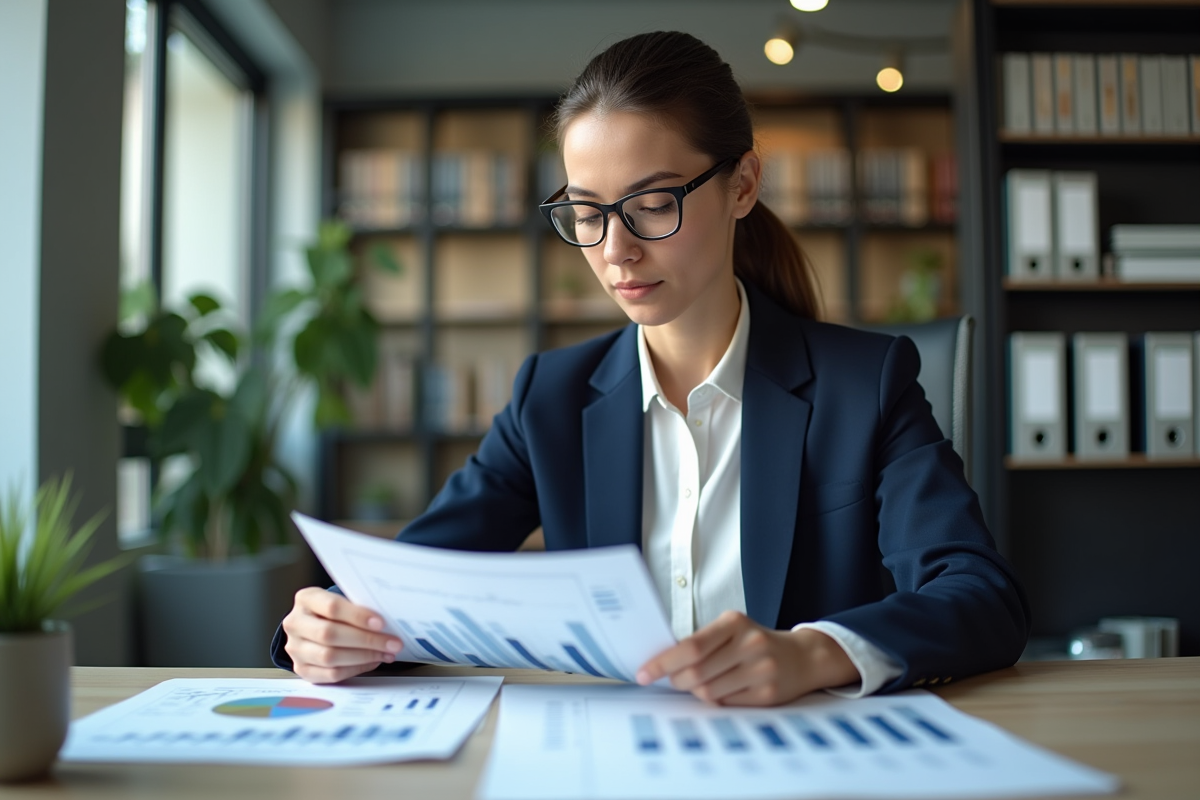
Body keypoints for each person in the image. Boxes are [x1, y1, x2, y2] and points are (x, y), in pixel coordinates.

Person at [273, 31, 1029, 706]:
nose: (615, 250)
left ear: (741, 185)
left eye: (653, 203)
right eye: (588, 211)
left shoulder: (864, 384)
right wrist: (331, 627)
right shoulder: (552, 400)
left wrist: (812, 654)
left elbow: (980, 596)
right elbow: (413, 585)